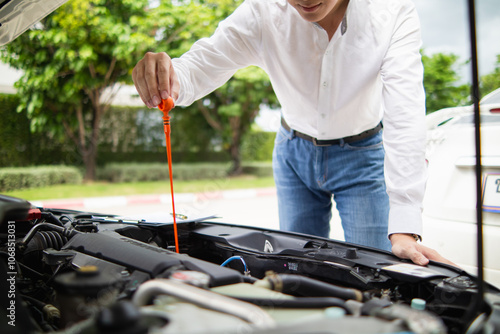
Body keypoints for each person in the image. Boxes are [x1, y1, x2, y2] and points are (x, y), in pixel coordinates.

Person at [132, 0, 454, 266]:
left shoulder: (392, 13)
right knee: (295, 268)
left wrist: (404, 228)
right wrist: (167, 75)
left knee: (373, 270)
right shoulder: (262, 12)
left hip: (363, 156)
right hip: (292, 152)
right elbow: (200, 67)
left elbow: (405, 115)